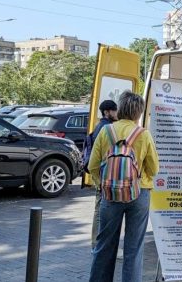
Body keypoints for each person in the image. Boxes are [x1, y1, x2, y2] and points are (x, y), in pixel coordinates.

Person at [88, 91, 159, 282]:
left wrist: (102, 185)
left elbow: (92, 166)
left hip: (110, 193)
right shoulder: (143, 135)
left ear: (120, 109)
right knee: (134, 248)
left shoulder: (106, 131)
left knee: (104, 246)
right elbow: (154, 168)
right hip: (139, 193)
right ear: (139, 113)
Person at [83, 100, 118, 251]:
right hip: (104, 177)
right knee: (100, 213)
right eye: (115, 111)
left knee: (100, 211)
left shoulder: (100, 126)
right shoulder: (106, 128)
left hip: (101, 176)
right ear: (107, 112)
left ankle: (97, 244)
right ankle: (96, 245)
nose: (117, 113)